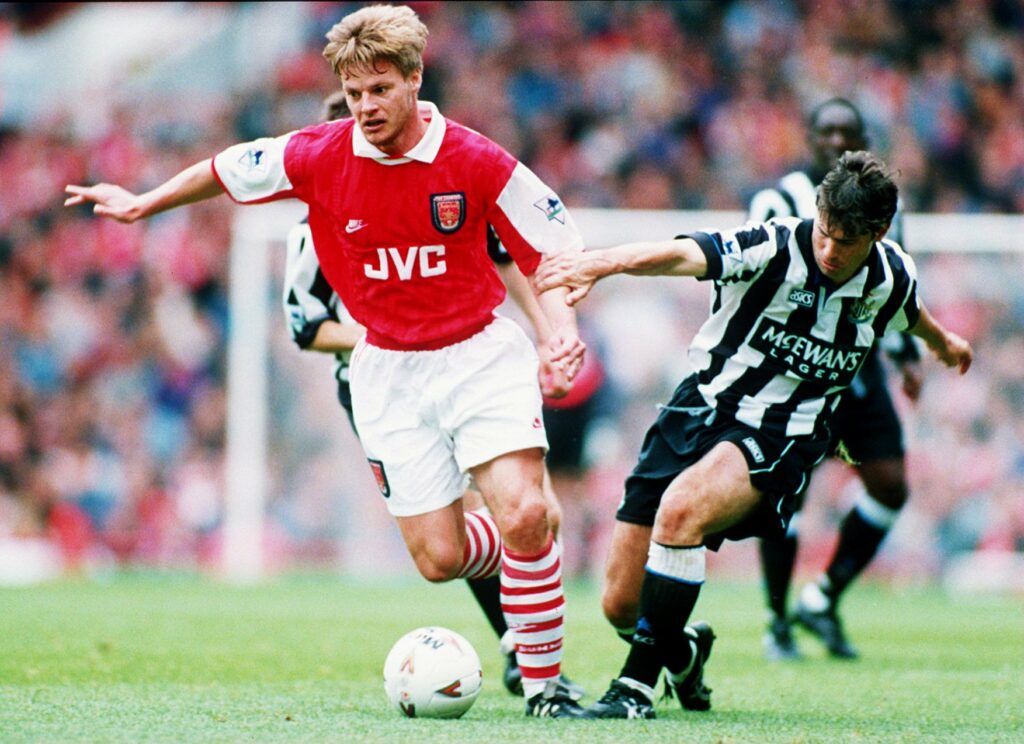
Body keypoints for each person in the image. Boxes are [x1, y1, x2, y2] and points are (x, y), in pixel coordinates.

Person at [65, 5, 588, 717]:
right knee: (439, 559)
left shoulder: (476, 159)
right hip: (387, 371)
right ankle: (528, 533)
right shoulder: (317, 154)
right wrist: (142, 203)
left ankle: (547, 687)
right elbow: (223, 168)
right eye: (353, 93)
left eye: (379, 89)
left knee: (524, 511)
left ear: (414, 80)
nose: (365, 106)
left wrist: (560, 327)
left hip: (478, 355)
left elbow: (548, 246)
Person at [533, 151, 973, 719]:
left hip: (782, 434)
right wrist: (604, 263)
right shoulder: (775, 244)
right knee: (621, 604)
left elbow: (911, 314)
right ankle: (685, 653)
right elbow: (684, 253)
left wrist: (945, 346)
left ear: (879, 232)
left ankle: (634, 692)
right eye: (825, 233)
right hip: (697, 409)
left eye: (847, 241)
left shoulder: (890, 276)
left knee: (680, 512)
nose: (830, 251)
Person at [748, 97, 924, 660]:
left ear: (862, 138)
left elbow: (891, 290)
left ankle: (821, 599)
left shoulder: (882, 208)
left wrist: (904, 352)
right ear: (808, 137)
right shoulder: (777, 200)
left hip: (858, 368)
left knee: (891, 485)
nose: (836, 140)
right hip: (795, 371)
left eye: (847, 132)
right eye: (826, 130)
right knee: (785, 501)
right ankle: (777, 619)